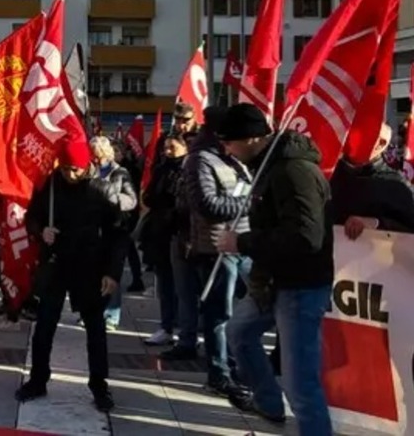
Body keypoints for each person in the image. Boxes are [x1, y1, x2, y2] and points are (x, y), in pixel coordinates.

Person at [218, 103, 333, 433]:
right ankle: (268, 401)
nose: (226, 150)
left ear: (253, 138)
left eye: (229, 143)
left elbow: (306, 237)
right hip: (270, 281)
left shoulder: (293, 171)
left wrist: (243, 243)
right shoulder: (267, 166)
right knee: (238, 333)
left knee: (300, 383)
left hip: (300, 284)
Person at [18, 133, 123, 413]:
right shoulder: (51, 186)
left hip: (90, 266)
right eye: (65, 169)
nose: (70, 174)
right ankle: (38, 379)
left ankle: (99, 386)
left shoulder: (102, 190)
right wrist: (42, 231)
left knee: (95, 329)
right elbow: (31, 217)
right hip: (56, 264)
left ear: (87, 164)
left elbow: (118, 234)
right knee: (44, 325)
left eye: (75, 169)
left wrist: (112, 273)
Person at [167, 106, 252, 398]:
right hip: (216, 247)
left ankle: (235, 364)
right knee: (219, 314)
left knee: (245, 312)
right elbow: (207, 205)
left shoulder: (235, 160)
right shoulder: (200, 160)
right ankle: (219, 372)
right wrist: (249, 203)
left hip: (243, 244)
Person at [139, 133, 188, 347]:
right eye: (165, 148)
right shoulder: (161, 169)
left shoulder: (188, 170)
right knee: (165, 284)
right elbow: (149, 196)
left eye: (172, 147)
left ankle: (185, 329)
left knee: (184, 287)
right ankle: (166, 326)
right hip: (159, 233)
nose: (167, 152)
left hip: (180, 234)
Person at [88, 136, 138, 331]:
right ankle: (93, 311)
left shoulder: (120, 173)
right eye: (93, 156)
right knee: (94, 273)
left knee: (112, 271)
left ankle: (111, 314)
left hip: (115, 228)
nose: (96, 160)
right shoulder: (90, 172)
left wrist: (111, 197)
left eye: (99, 156)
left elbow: (131, 200)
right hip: (94, 229)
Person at [331, 123, 414, 235]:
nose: (349, 139)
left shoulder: (397, 187)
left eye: (361, 134)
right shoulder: (328, 176)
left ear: (381, 143)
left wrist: (375, 224)